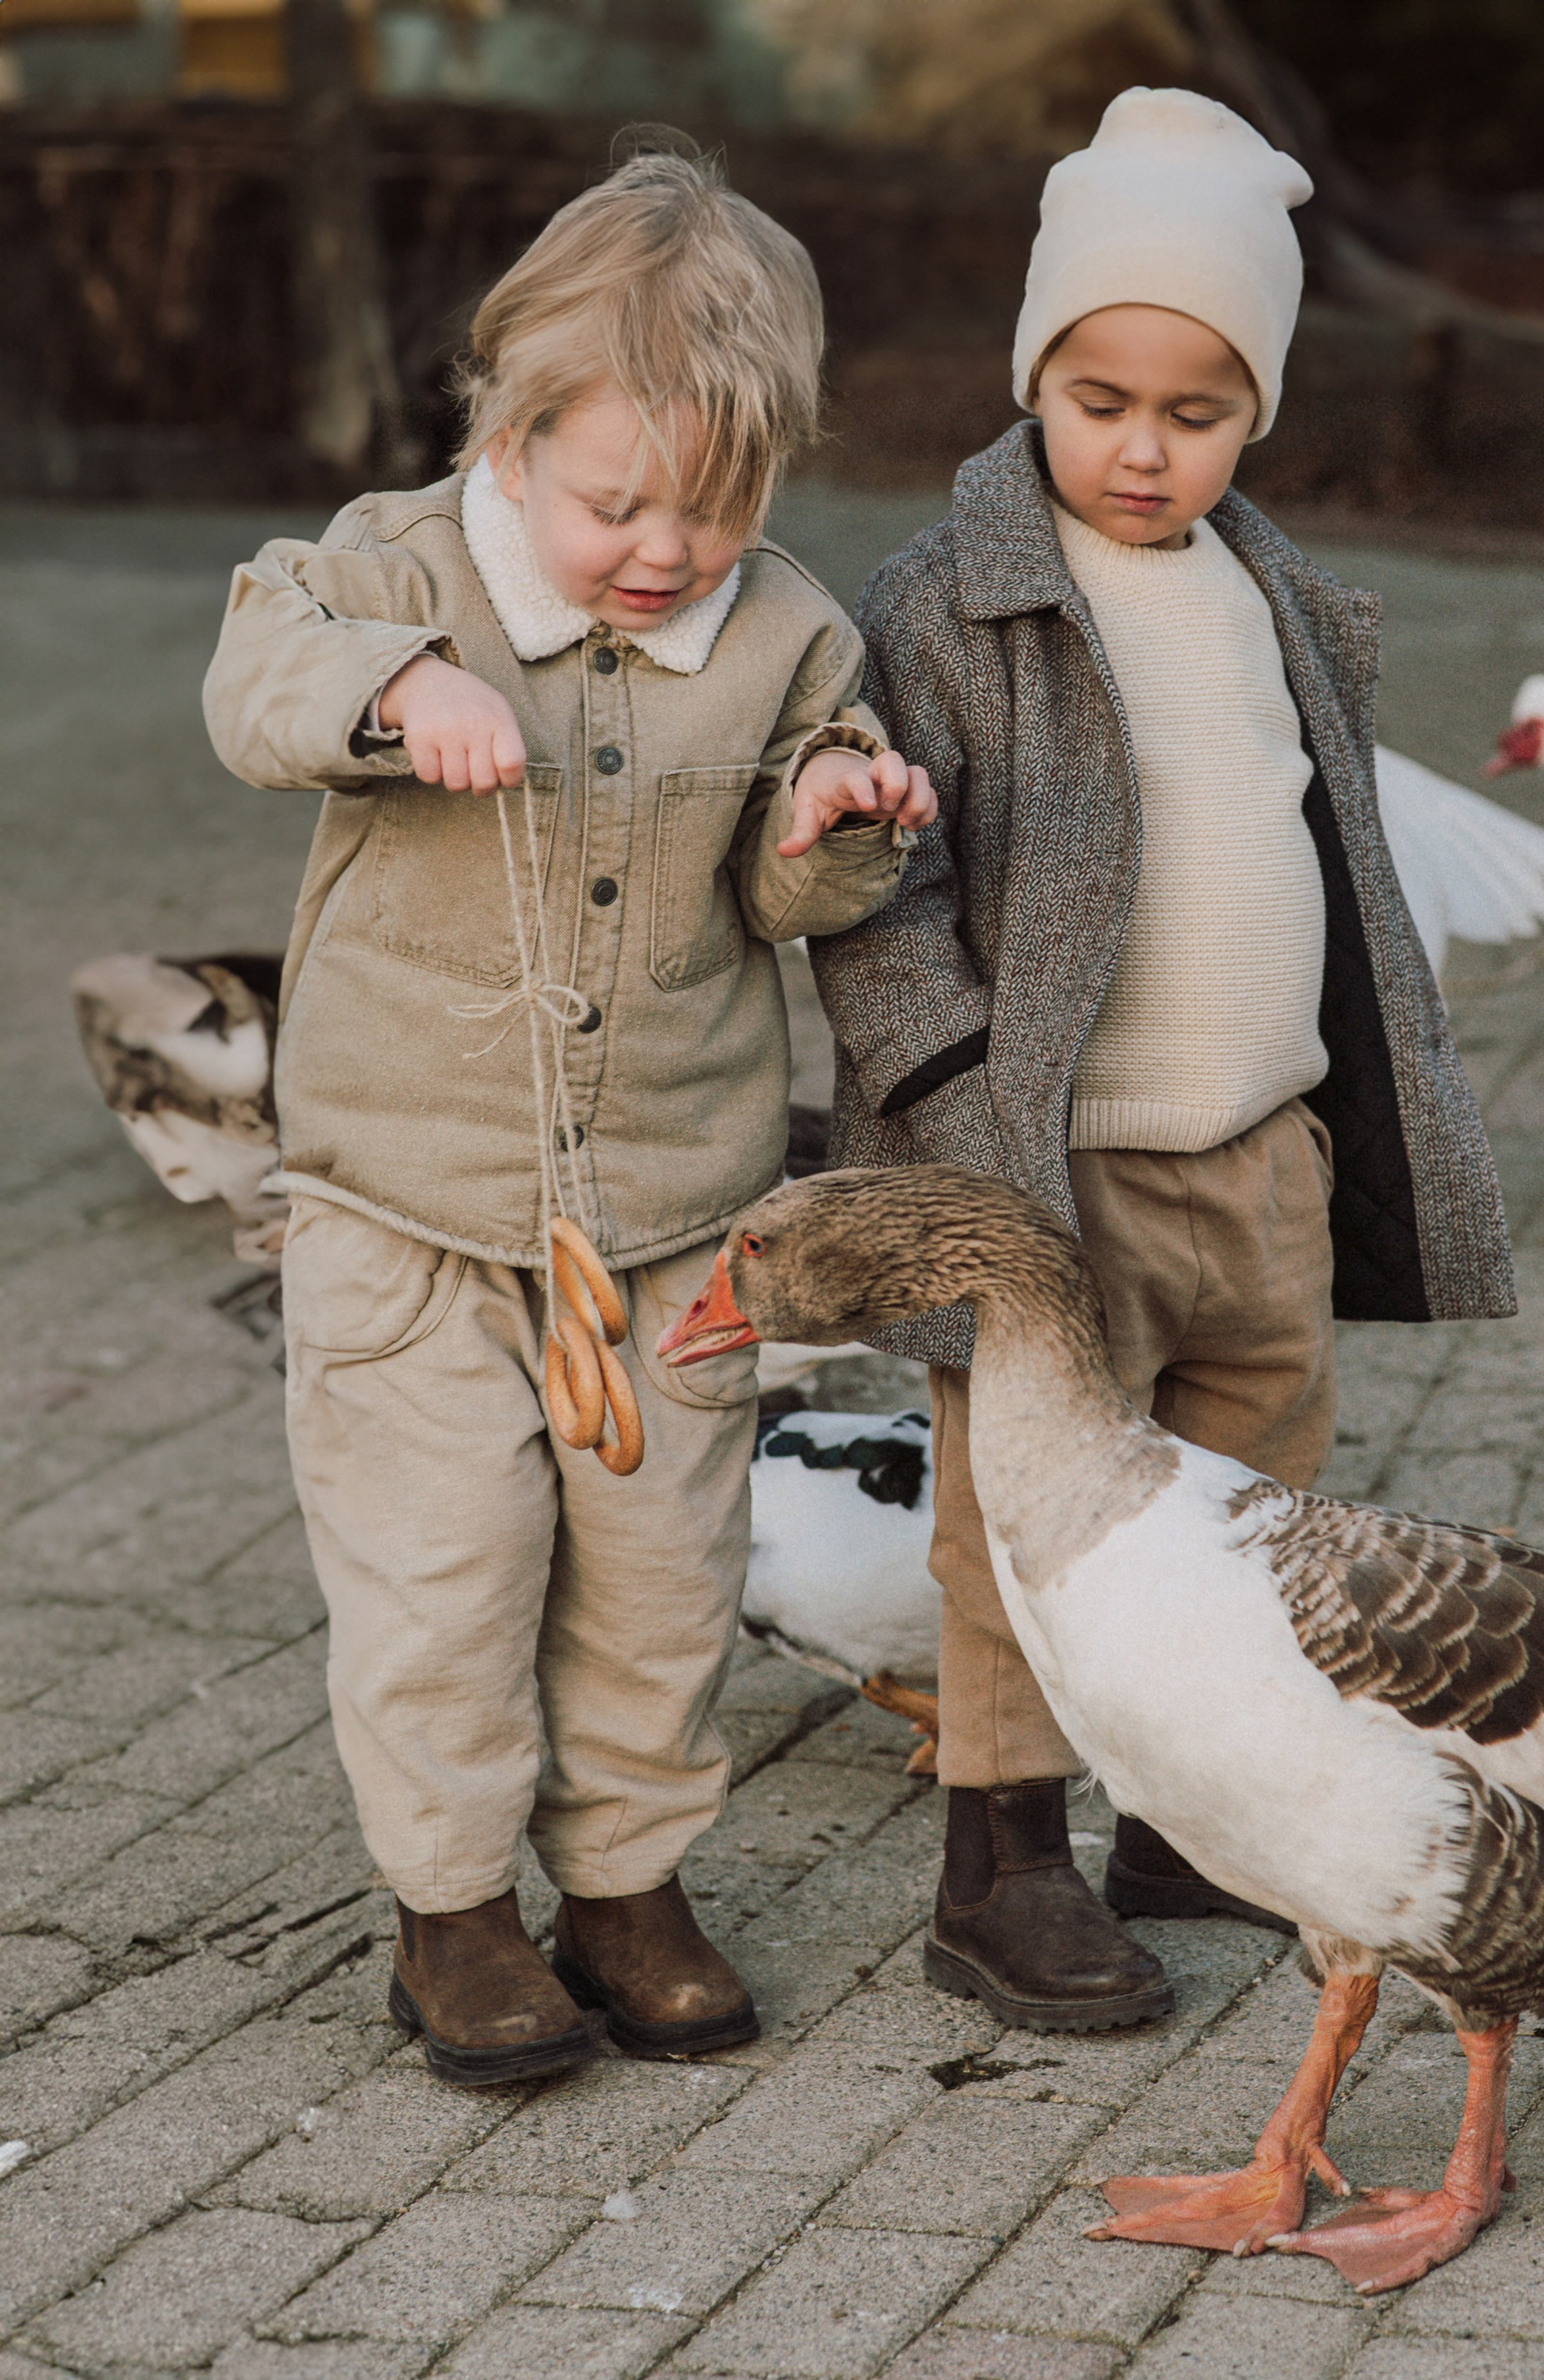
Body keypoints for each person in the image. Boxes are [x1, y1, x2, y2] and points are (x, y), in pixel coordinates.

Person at [203, 146, 935, 2087]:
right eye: (617, 500)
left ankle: (628, 1881)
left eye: (717, 504)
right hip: (412, 1206)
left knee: (662, 1571)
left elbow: (788, 886)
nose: (664, 549)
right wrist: (394, 686)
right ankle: (450, 1910)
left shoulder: (786, 632)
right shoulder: (394, 562)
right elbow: (255, 669)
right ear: (513, 434)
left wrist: (827, 828)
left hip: (668, 1217)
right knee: (444, 1570)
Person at [810, 88, 1515, 2034]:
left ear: (1257, 415)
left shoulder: (1265, 592)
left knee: (1246, 1499)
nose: (1143, 448)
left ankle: (1185, 1816)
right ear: (1037, 370)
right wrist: (949, 1103)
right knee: (1029, 1526)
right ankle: (1002, 1857)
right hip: (1044, 1172)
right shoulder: (945, 605)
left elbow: (1307, 844)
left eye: (1197, 412)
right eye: (1101, 396)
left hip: (1255, 1153)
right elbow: (873, 888)